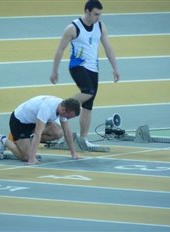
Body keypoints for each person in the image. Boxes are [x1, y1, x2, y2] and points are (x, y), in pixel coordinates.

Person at [50, 0, 120, 147]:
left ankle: (83, 139)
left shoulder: (100, 27)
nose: (98, 17)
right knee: (88, 91)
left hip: (93, 68)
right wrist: (54, 71)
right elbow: (60, 50)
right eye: (96, 14)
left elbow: (108, 48)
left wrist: (115, 68)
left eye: (100, 14)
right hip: (77, 66)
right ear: (87, 11)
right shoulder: (73, 28)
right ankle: (59, 109)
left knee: (88, 105)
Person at [0, 95, 81, 165]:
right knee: (25, 157)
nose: (68, 119)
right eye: (69, 117)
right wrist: (32, 158)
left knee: (58, 132)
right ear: (64, 110)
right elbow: (38, 133)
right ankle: (4, 140)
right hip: (19, 123)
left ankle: (29, 142)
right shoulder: (46, 108)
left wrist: (74, 153)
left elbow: (67, 131)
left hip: (33, 121)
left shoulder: (63, 106)